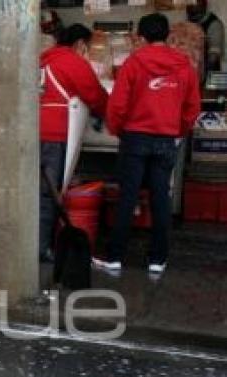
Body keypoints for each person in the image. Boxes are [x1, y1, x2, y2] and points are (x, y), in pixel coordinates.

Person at [95, 13, 201, 275]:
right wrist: (179, 131)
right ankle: (157, 260)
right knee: (160, 198)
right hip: (166, 139)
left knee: (127, 196)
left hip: (135, 137)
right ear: (167, 36)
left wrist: (118, 130)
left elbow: (117, 105)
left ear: (141, 37)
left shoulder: (134, 62)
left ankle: (116, 257)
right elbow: (192, 107)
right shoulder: (184, 65)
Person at [39, 24, 109, 262]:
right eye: (87, 48)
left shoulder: (43, 60)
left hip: (34, 132)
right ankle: (42, 247)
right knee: (50, 193)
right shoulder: (73, 62)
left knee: (37, 190)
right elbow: (96, 96)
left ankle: (33, 243)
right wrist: (112, 113)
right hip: (56, 134)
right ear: (80, 44)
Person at [187, 0, 224, 78]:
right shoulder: (189, 22)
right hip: (195, 75)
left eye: (195, 3)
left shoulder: (214, 24)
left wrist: (203, 75)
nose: (190, 6)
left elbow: (214, 55)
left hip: (211, 74)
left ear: (204, 4)